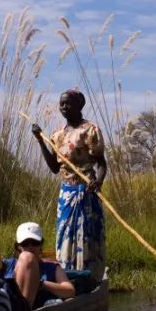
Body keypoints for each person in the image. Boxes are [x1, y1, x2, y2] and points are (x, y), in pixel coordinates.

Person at [30, 89, 107, 281]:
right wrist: (40, 141)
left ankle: (90, 277)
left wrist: (98, 181)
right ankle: (67, 276)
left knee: (86, 235)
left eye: (68, 103)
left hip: (85, 191)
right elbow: (55, 168)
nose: (64, 107)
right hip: (66, 193)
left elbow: (101, 164)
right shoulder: (57, 135)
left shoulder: (89, 130)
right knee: (64, 235)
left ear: (79, 106)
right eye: (61, 104)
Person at [0, 221, 76, 311]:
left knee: (27, 258)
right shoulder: (8, 264)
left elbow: (70, 291)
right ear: (18, 247)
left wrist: (42, 284)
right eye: (25, 244)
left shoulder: (52, 268)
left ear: (41, 244)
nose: (30, 247)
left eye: (35, 242)